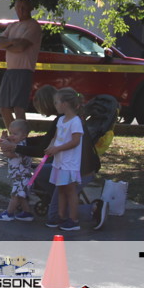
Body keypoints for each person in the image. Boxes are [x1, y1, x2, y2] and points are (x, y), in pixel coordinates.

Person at [0, 84, 107, 230]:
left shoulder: (71, 121)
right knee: (39, 174)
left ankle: (93, 210)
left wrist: (16, 147)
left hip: (78, 169)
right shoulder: (62, 120)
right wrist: (20, 141)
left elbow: (43, 149)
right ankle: (54, 202)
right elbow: (48, 140)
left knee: (54, 215)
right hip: (64, 166)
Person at [0, 0, 43, 131]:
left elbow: (21, 47)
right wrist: (12, 41)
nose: (21, 10)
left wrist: (7, 45)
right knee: (4, 107)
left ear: (30, 7)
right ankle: (13, 137)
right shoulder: (12, 26)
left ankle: (21, 138)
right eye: (18, 7)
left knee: (18, 108)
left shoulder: (33, 26)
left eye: (24, 7)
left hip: (24, 71)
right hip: (10, 71)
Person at [45, 88, 86, 232]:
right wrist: (51, 147)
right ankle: (61, 216)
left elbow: (75, 142)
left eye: (56, 102)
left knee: (70, 191)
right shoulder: (61, 120)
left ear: (65, 104)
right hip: (59, 162)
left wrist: (57, 149)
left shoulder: (75, 122)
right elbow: (56, 137)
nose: (55, 105)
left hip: (69, 163)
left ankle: (73, 220)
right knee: (61, 189)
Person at [0, 119, 35, 222]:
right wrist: (3, 140)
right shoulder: (16, 143)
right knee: (21, 196)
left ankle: (9, 213)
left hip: (22, 177)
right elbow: (8, 145)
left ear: (24, 135)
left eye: (15, 134)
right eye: (11, 133)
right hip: (19, 176)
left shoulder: (21, 147)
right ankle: (27, 213)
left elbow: (9, 154)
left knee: (15, 195)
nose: (12, 136)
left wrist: (3, 145)